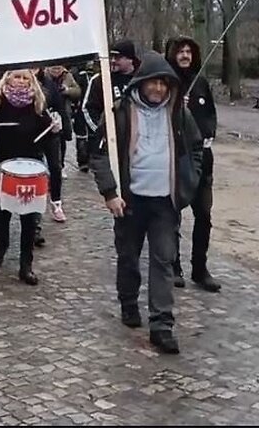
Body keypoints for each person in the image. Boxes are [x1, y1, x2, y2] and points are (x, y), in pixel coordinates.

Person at [90, 51, 203, 354]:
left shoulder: (178, 113)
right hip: (130, 201)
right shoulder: (120, 113)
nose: (159, 89)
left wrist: (188, 184)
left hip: (165, 202)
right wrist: (110, 192)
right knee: (128, 256)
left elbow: (195, 149)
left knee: (164, 259)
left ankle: (162, 325)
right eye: (153, 83)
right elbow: (99, 154)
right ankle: (128, 303)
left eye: (164, 84)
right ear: (141, 83)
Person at [0, 69, 59, 285]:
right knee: (2, 212)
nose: (21, 81)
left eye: (26, 77)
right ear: (8, 78)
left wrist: (54, 130)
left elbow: (49, 135)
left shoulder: (37, 103)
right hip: (4, 163)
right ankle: (2, 245)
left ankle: (26, 264)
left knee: (29, 217)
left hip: (31, 165)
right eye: (17, 76)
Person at [165, 36, 221, 292]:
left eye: (189, 51)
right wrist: (176, 107)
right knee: (172, 215)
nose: (185, 56)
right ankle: (173, 265)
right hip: (176, 157)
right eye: (181, 52)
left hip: (202, 159)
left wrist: (208, 132)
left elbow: (210, 114)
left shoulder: (201, 82)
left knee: (204, 215)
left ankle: (200, 268)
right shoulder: (165, 82)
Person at [40, 65, 80, 223]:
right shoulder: (22, 80)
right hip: (30, 133)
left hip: (51, 131)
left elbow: (59, 105)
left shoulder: (48, 83)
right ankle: (33, 211)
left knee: (55, 167)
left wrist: (60, 122)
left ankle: (56, 203)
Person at [83, 40, 139, 144]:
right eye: (111, 57)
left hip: (138, 140)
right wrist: (101, 131)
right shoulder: (100, 80)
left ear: (130, 59)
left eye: (118, 58)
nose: (113, 61)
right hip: (109, 141)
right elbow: (88, 108)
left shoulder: (141, 79)